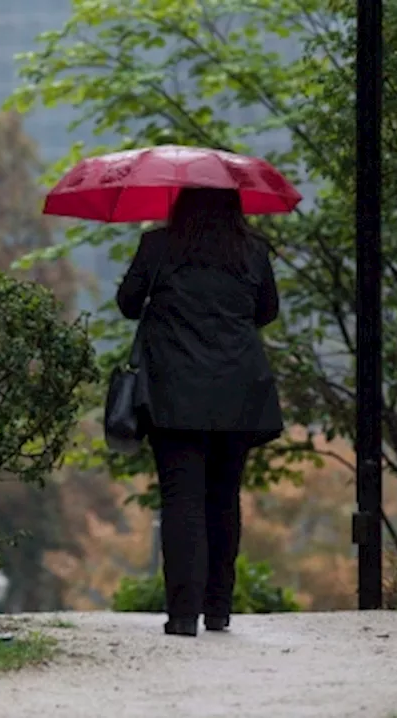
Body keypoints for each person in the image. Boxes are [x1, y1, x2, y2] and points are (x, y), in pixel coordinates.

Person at [115, 187, 284, 637]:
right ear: (234, 202)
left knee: (181, 499)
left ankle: (184, 614)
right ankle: (218, 609)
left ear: (182, 201)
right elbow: (266, 311)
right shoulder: (252, 250)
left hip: (173, 392)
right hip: (238, 389)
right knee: (223, 497)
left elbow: (128, 304)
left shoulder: (158, 245)